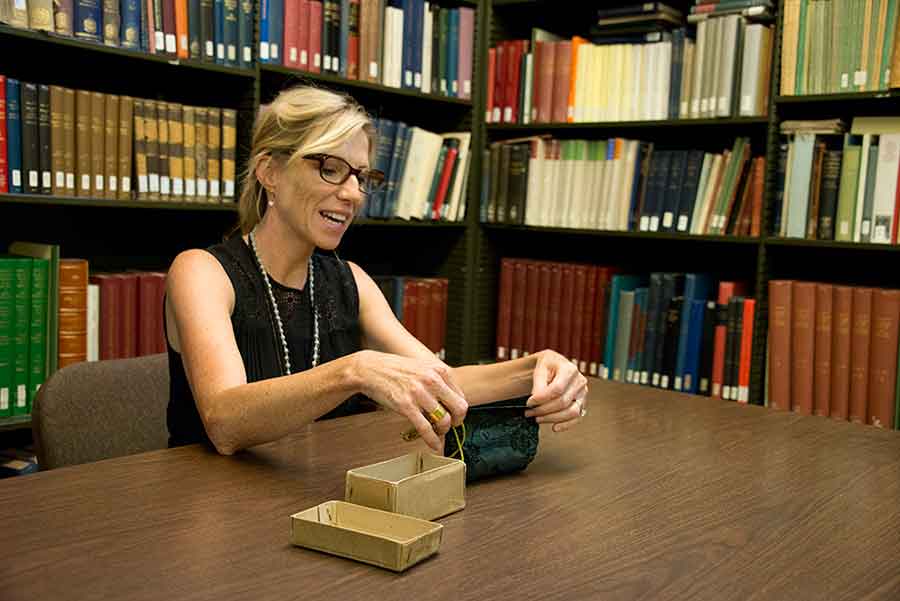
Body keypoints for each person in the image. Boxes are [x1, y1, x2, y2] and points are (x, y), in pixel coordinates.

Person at [164, 85, 588, 456]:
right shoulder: (202, 272)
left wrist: (536, 370)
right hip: (203, 507)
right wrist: (355, 371)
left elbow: (440, 382)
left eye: (361, 177)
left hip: (311, 497)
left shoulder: (351, 282)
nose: (353, 194)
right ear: (270, 172)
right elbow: (225, 422)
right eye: (330, 169)